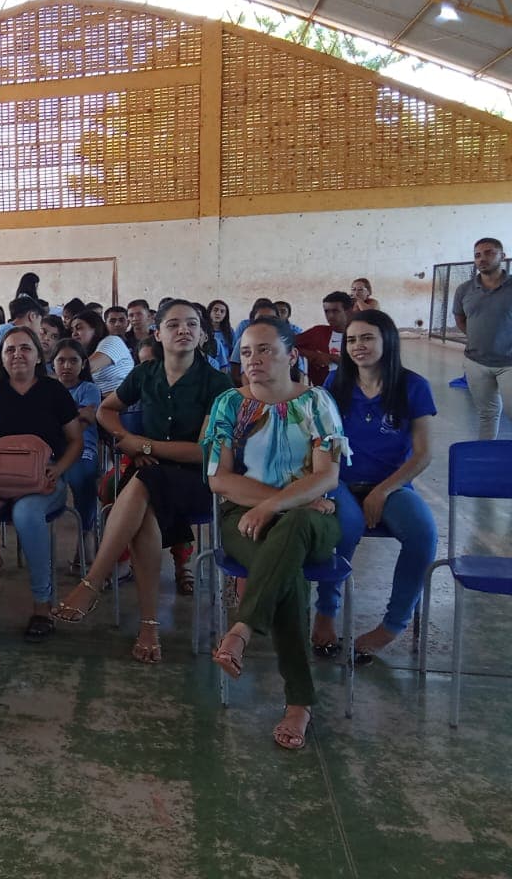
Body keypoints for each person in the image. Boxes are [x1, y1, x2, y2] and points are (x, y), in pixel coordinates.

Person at [53, 301, 232, 657]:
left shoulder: (217, 383)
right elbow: (105, 411)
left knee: (141, 482)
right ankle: (148, 626)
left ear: (202, 334)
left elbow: (203, 452)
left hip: (194, 481)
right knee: (144, 507)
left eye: (192, 324)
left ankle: (94, 581)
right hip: (149, 472)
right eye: (174, 324)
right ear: (158, 333)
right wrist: (126, 438)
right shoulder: (146, 373)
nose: (184, 330)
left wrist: (144, 445)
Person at [202, 317, 346, 751]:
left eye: (265, 350)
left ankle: (242, 629)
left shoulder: (317, 402)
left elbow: (328, 475)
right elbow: (219, 479)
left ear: (291, 355)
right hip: (243, 518)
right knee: (288, 571)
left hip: (310, 520)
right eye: (246, 352)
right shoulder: (228, 404)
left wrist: (272, 506)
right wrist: (285, 501)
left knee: (294, 531)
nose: (254, 360)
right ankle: (299, 703)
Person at [312, 310, 437, 663]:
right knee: (347, 526)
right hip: (340, 481)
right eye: (352, 340)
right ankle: (326, 611)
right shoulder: (335, 384)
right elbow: (322, 441)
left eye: (367, 338)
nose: (358, 346)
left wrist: (382, 491)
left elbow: (423, 454)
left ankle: (392, 626)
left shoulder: (413, 386)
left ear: (388, 341)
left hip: (392, 485)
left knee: (423, 534)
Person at [0, 327, 84, 642]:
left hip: (42, 482)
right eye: (10, 349)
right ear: (1, 358)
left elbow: (75, 441)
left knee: (27, 514)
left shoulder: (54, 392)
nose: (17, 354)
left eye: (25, 348)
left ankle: (42, 606)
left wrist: (59, 469)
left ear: (38, 355)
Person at [453, 236, 512, 439]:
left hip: (509, 362)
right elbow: (460, 318)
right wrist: (478, 338)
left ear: (502, 256)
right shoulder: (464, 289)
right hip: (476, 362)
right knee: (487, 414)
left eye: (488, 253)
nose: (482, 259)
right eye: (477, 255)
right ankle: (486, 453)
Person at [50, 339, 101, 567]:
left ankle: (86, 535)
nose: (67, 366)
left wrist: (57, 422)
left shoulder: (89, 389)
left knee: (83, 478)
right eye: (61, 360)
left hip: (83, 448)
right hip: (51, 449)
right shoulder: (47, 389)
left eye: (73, 361)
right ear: (52, 364)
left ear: (84, 364)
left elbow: (86, 418)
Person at [0, 295, 44, 383]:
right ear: (32, 316)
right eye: (40, 321)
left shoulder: (6, 329)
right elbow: (0, 367)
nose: (40, 329)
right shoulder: (9, 332)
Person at [295, 291, 353, 388]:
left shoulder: (360, 334)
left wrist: (331, 358)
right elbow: (287, 344)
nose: (330, 315)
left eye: (335, 311)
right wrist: (312, 355)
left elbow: (361, 364)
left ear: (348, 311)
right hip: (324, 392)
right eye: (326, 311)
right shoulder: (317, 332)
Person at [88, 309, 135, 396]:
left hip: (118, 400)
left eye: (121, 320)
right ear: (105, 324)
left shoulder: (113, 340)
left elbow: (87, 368)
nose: (117, 324)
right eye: (112, 321)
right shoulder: (98, 346)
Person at [207, 299, 234, 369]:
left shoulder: (229, 331)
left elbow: (233, 352)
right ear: (210, 312)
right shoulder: (203, 331)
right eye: (215, 310)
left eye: (222, 311)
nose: (218, 313)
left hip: (226, 367)